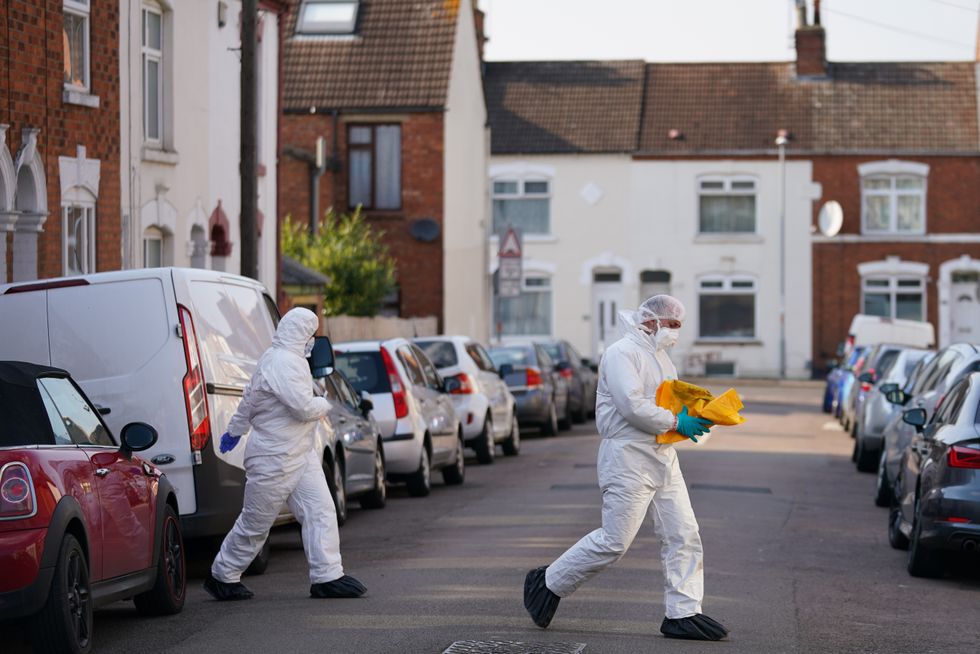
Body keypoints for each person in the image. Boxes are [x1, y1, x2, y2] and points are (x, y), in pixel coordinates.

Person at [523, 295, 728, 641]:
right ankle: (548, 581)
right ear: (652, 322)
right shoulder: (621, 353)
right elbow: (632, 406)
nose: (676, 332)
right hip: (627, 458)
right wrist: (677, 420)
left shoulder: (661, 357)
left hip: (662, 456)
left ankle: (683, 612)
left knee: (683, 533)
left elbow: (665, 400)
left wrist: (692, 415)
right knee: (614, 541)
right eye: (673, 325)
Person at [204, 307, 365, 601]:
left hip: (298, 454)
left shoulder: (280, 359)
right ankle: (222, 575)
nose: (312, 341)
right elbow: (302, 408)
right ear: (300, 332)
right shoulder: (283, 363)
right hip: (274, 459)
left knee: (320, 511)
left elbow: (249, 400)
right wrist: (325, 403)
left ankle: (327, 576)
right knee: (256, 522)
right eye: (311, 333)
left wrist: (235, 430)